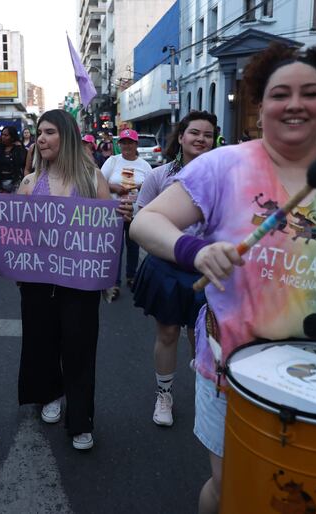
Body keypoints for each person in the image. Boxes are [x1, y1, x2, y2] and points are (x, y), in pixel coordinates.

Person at [129, 40, 316, 514]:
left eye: (310, 92)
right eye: (280, 94)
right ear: (260, 107)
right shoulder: (223, 165)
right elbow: (146, 221)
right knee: (233, 485)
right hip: (232, 366)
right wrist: (194, 249)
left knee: (306, 492)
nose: (295, 103)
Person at [0, 109, 131, 450]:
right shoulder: (30, 182)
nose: (41, 139)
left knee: (79, 347)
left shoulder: (91, 180)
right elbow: (12, 230)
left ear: (67, 137)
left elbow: (107, 227)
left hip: (80, 282)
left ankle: (80, 419)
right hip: (37, 282)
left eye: (48, 132)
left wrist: (122, 215)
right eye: (39, 133)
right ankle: (49, 394)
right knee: (41, 340)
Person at [132, 111, 217, 427]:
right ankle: (163, 395)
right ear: (180, 137)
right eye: (194, 132)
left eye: (207, 135)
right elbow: (143, 222)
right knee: (167, 333)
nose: (200, 139)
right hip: (167, 269)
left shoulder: (224, 178)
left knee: (204, 338)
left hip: (207, 271)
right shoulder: (159, 176)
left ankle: (205, 395)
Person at [101, 128, 151, 300]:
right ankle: (113, 282)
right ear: (119, 144)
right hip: (114, 212)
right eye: (123, 142)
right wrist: (113, 187)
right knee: (115, 248)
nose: (127, 146)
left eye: (130, 142)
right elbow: (99, 182)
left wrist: (144, 188)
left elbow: (152, 188)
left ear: (136, 144)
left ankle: (132, 277)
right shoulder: (112, 161)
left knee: (133, 247)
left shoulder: (145, 166)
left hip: (135, 213)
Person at [0, 125, 26, 193]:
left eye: (6, 135)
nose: (3, 137)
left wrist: (19, 149)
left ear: (12, 137)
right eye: (2, 134)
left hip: (15, 182)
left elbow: (22, 162)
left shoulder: (18, 148)